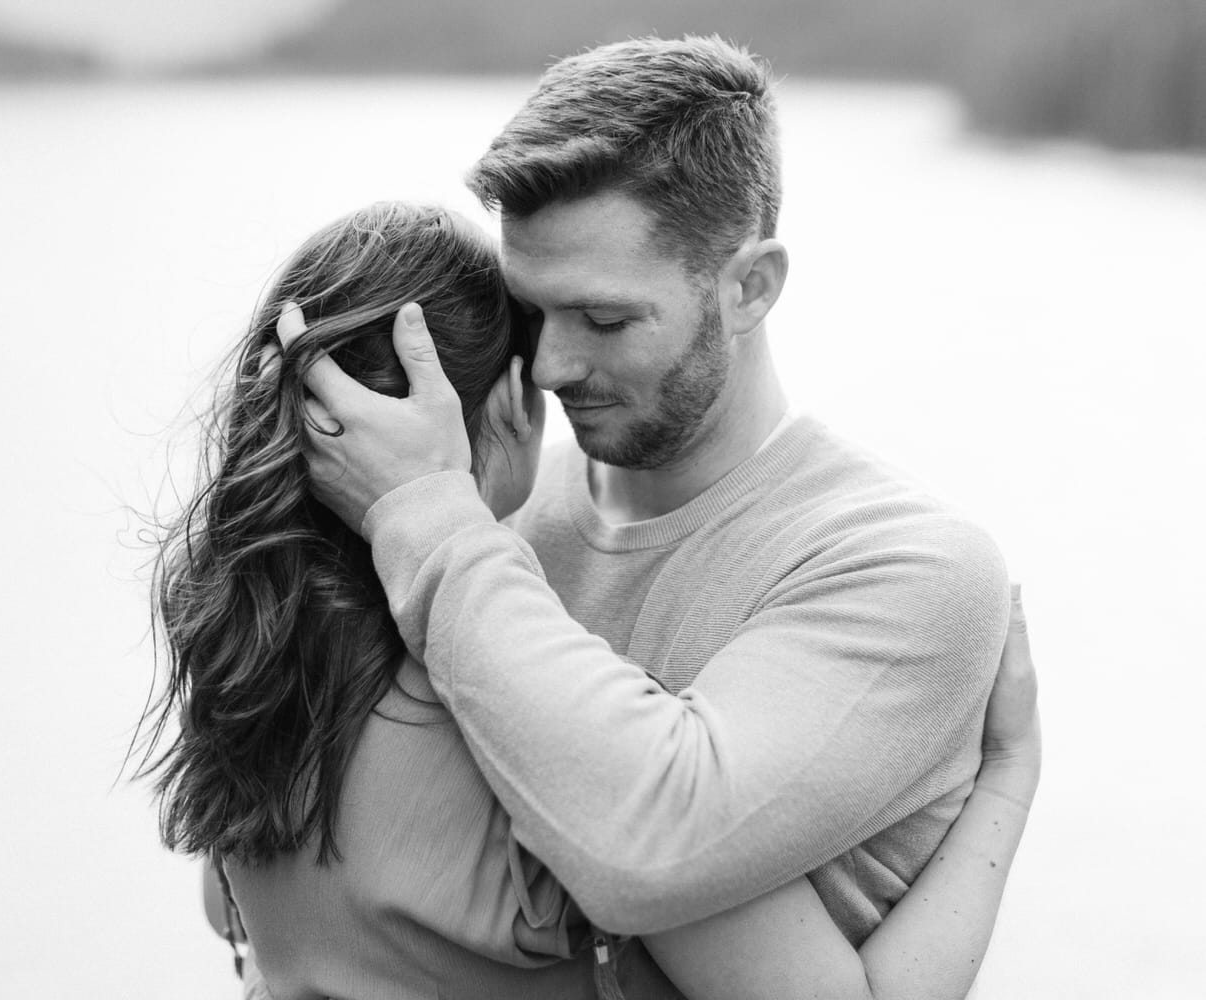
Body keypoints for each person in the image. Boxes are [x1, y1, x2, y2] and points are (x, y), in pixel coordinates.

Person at [141, 200, 1041, 999]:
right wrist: (1007, 780)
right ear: (499, 405)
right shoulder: (551, 742)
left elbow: (240, 923)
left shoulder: (252, 676)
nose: (558, 375)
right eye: (537, 347)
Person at [284, 34, 1021, 972]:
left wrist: (427, 519)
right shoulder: (490, 507)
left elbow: (650, 853)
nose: (548, 368)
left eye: (603, 320)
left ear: (751, 286)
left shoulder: (905, 567)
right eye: (531, 313)